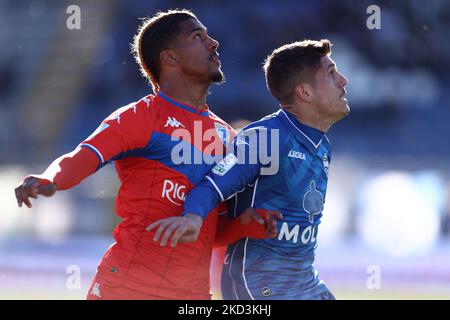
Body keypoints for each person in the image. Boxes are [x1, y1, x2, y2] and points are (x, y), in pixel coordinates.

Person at [14, 9, 278, 300]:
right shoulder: (140, 117)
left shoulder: (226, 134)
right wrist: (51, 178)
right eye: (198, 37)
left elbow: (211, 230)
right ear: (171, 58)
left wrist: (248, 225)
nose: (213, 43)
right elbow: (83, 156)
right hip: (128, 288)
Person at [149, 39, 349, 300]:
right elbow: (211, 187)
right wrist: (192, 217)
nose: (343, 80)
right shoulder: (267, 137)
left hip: (307, 284)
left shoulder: (321, 144)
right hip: (261, 288)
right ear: (305, 92)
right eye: (332, 73)